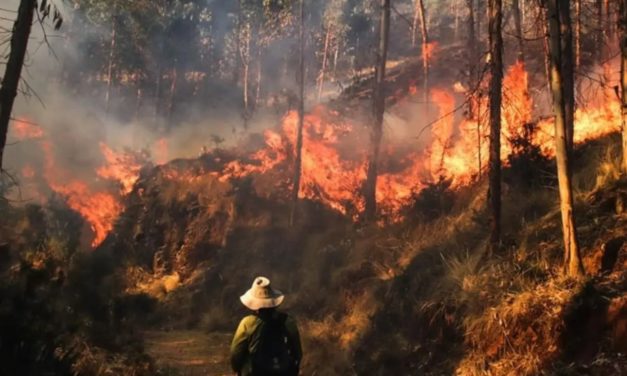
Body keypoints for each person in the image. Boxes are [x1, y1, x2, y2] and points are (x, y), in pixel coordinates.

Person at [230, 276, 302, 376]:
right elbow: (297, 353)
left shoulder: (247, 323)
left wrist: (238, 370)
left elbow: (236, 354)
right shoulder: (288, 321)